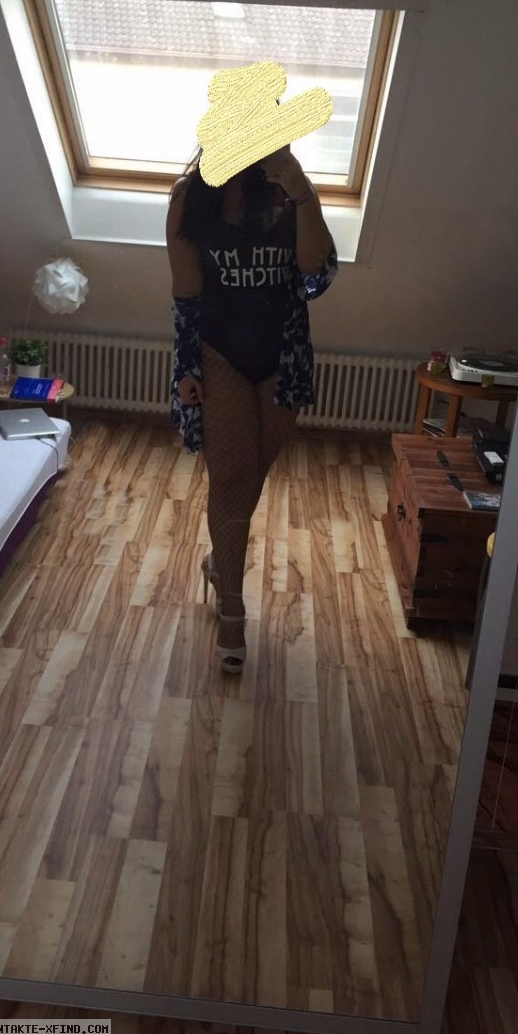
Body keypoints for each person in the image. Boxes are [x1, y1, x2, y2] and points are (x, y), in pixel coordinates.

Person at [167, 144, 338, 673]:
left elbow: (315, 278)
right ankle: (232, 608)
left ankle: (220, 561)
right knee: (231, 475)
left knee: (252, 471)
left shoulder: (290, 192)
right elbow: (186, 292)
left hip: (283, 354)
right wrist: (186, 367)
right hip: (218, 351)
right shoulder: (190, 196)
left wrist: (300, 189)